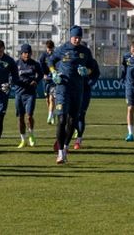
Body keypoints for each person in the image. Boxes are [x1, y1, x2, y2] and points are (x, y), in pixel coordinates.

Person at [48, 25, 96, 164]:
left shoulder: (85, 51)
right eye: (75, 37)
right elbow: (50, 61)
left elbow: (93, 67)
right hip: (63, 88)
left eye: (79, 37)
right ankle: (60, 153)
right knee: (62, 119)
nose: (77, 40)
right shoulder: (62, 49)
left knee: (72, 121)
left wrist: (87, 71)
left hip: (78, 90)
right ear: (70, 37)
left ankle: (65, 147)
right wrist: (54, 72)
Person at [14, 43, 42, 148]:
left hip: (30, 94)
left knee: (29, 116)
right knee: (20, 118)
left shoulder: (35, 64)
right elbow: (12, 76)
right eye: (25, 53)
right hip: (19, 94)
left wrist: (36, 81)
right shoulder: (16, 64)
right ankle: (23, 139)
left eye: (29, 53)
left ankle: (31, 134)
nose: (27, 54)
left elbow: (40, 74)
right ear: (21, 53)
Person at [73, 54, 100, 150]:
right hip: (73, 90)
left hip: (85, 91)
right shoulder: (73, 58)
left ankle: (78, 140)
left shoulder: (91, 61)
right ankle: (67, 136)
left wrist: (90, 82)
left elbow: (96, 73)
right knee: (70, 116)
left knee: (81, 115)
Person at [38, 40, 56, 125]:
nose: (50, 51)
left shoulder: (55, 55)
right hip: (46, 80)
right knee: (47, 100)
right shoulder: (43, 56)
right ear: (46, 48)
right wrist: (43, 74)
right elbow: (40, 66)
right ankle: (52, 113)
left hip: (53, 79)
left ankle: (50, 116)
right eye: (48, 49)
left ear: (53, 48)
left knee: (52, 98)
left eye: (51, 49)